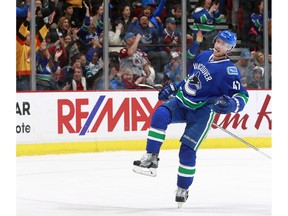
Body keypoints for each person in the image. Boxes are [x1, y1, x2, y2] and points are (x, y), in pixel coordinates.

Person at [132, 30, 249, 206]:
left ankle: (182, 188)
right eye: (219, 42)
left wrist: (232, 105)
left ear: (229, 49)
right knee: (160, 114)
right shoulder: (203, 55)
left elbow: (242, 95)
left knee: (186, 151)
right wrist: (173, 87)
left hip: (202, 112)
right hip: (182, 100)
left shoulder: (229, 71)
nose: (219, 46)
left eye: (225, 45)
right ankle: (151, 157)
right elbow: (192, 78)